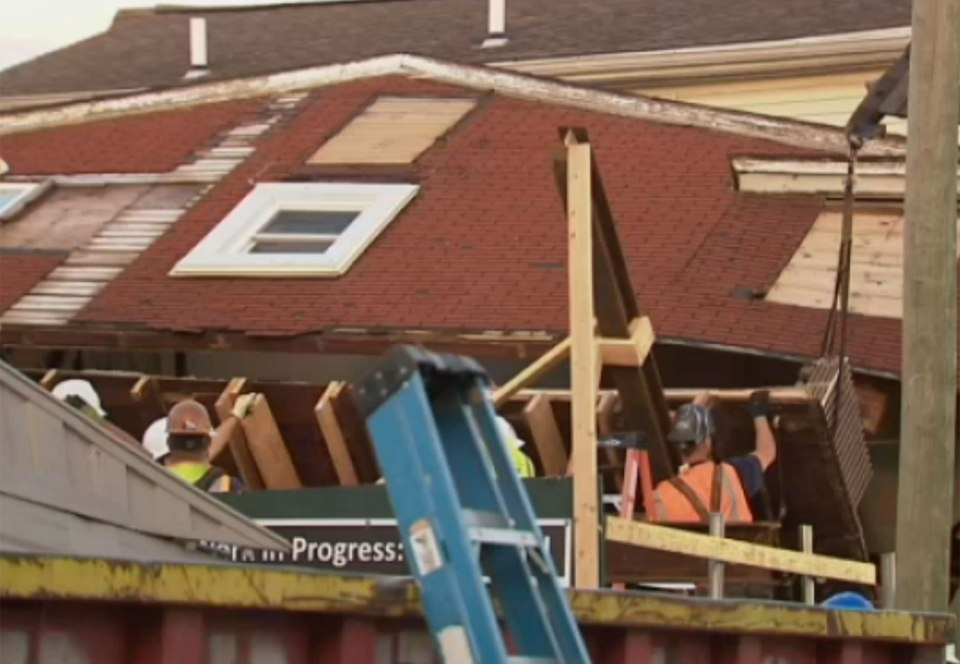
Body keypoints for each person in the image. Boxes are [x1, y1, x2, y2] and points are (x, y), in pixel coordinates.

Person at [649, 390, 776, 523]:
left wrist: (690, 414)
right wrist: (759, 413)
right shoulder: (732, 474)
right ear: (708, 442)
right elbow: (767, 452)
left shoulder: (662, 494)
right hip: (736, 543)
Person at [157, 400, 243, 494]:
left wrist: (235, 417)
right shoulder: (226, 485)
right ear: (208, 443)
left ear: (169, 442)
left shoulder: (147, 478)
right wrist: (236, 416)